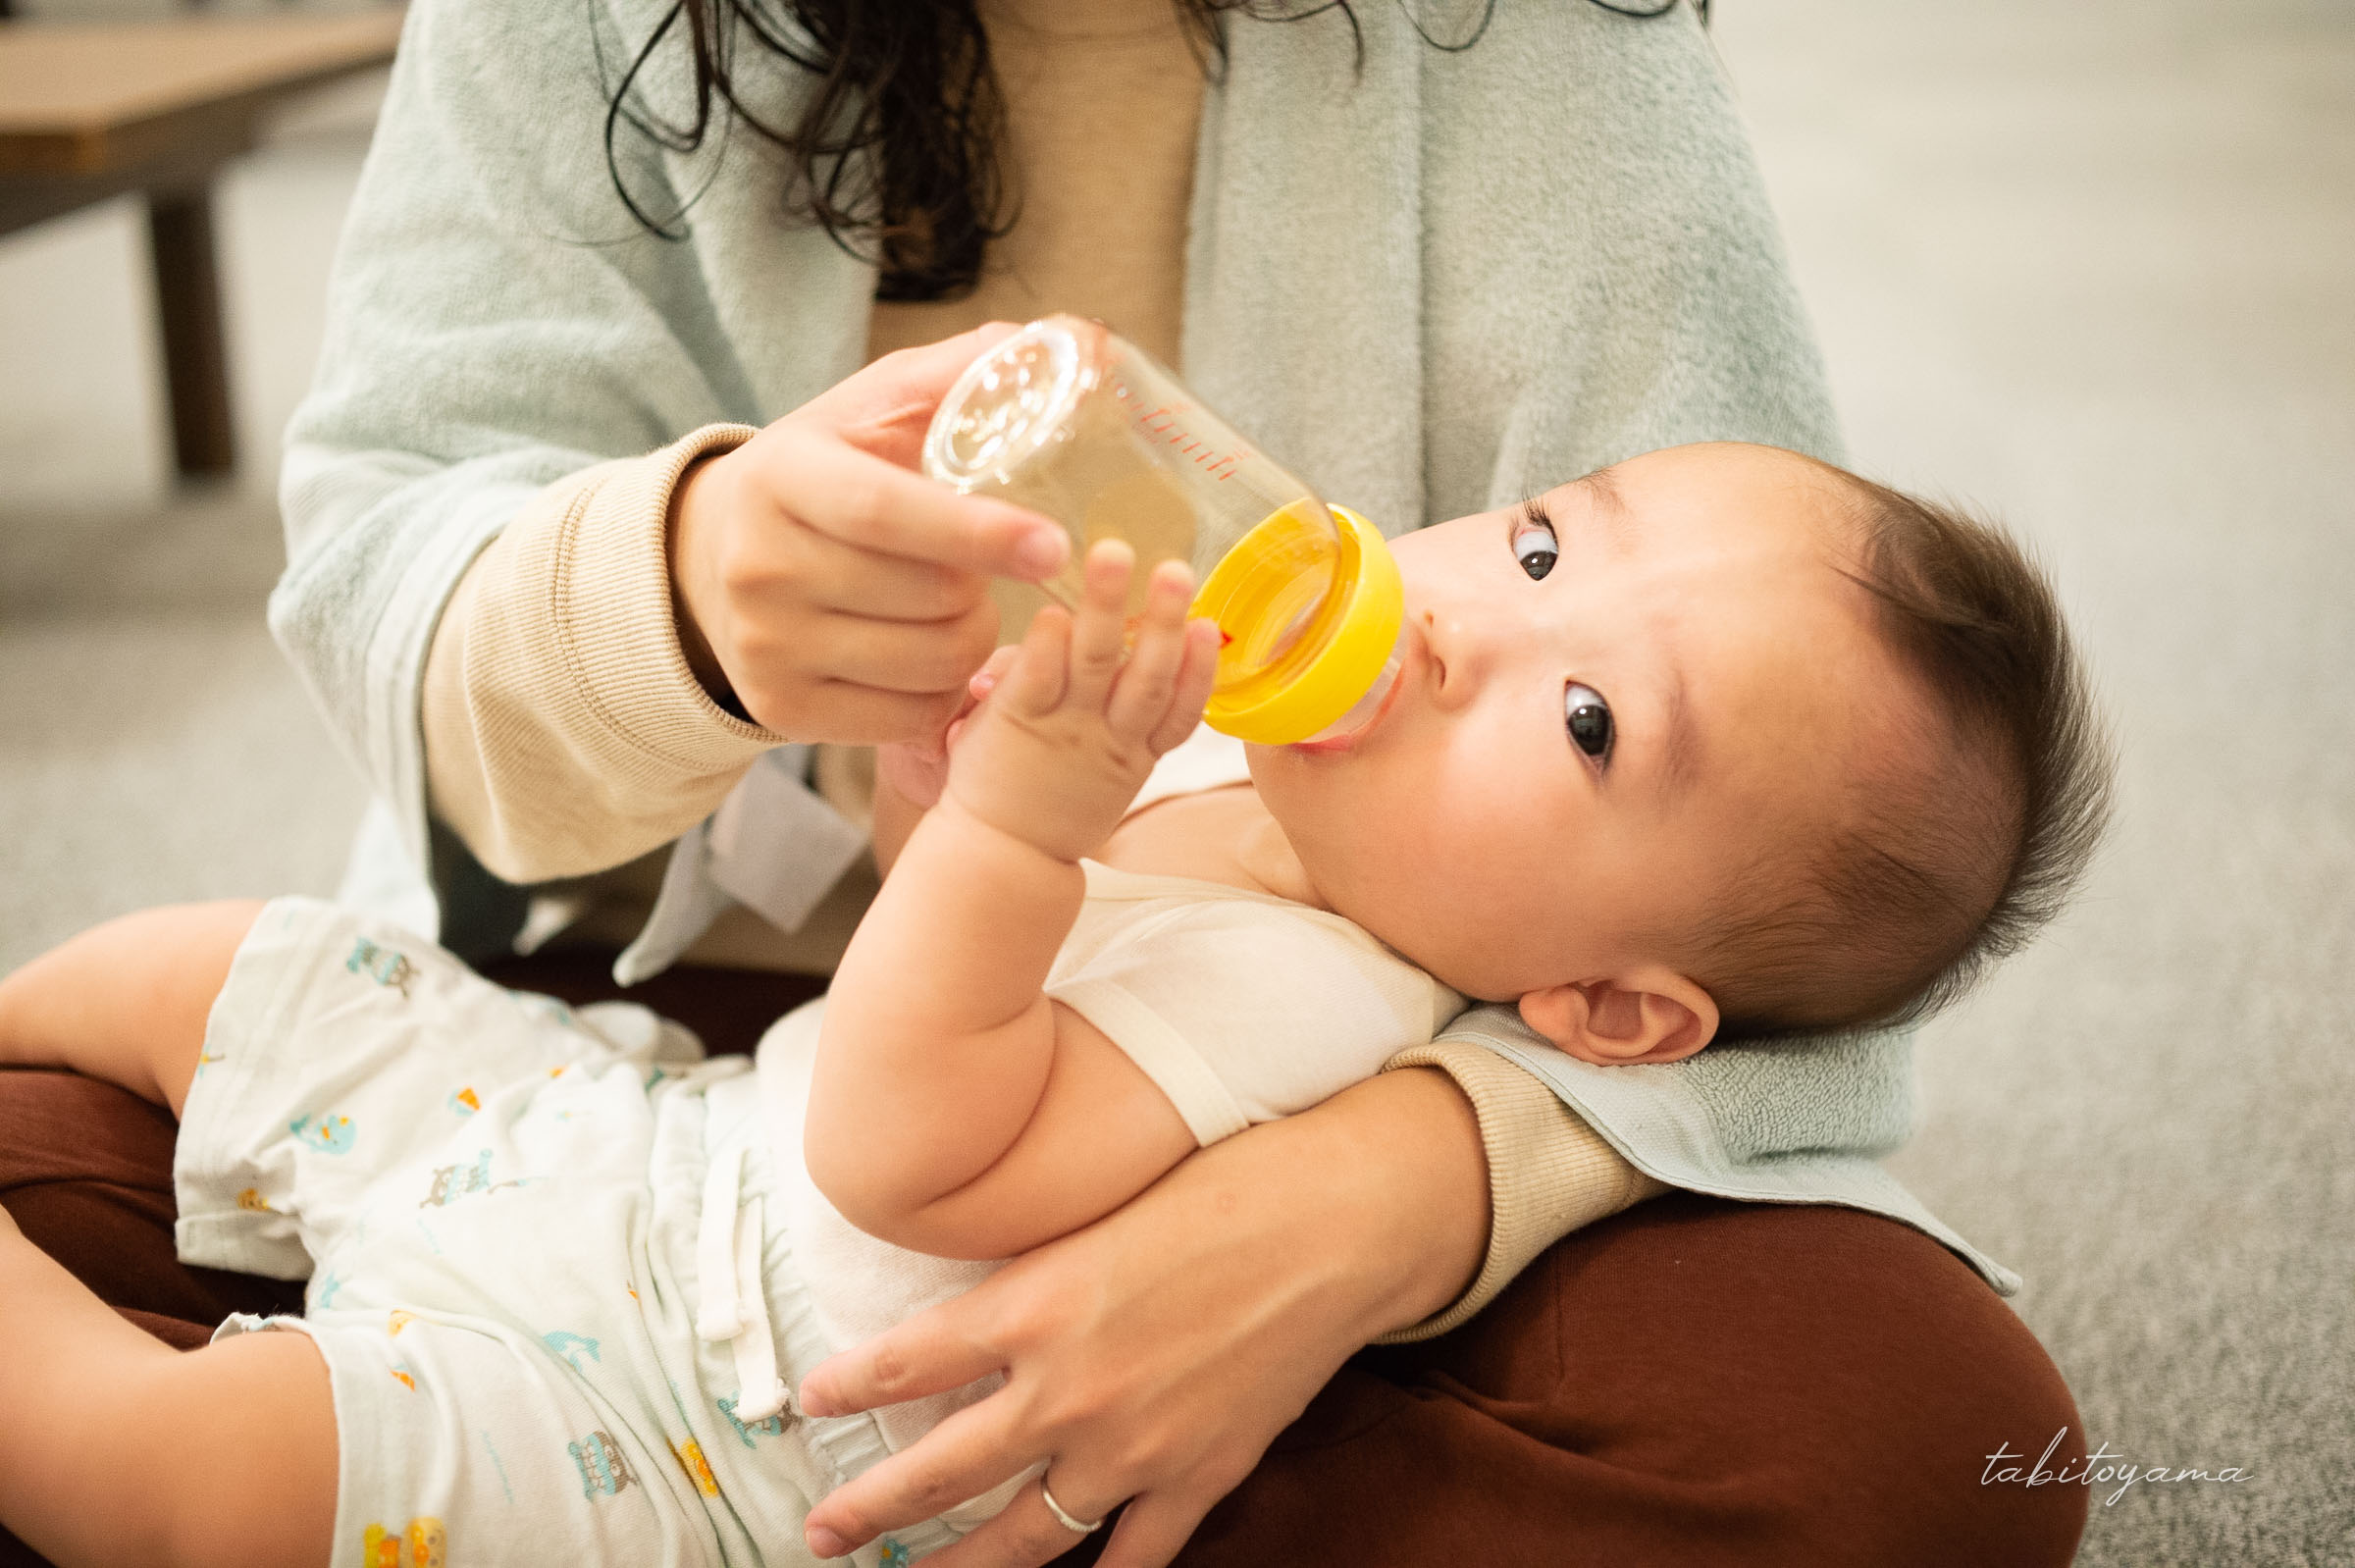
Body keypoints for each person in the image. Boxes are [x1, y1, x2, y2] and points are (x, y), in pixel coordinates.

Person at [0, 1, 2098, 1564]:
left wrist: (1383, 1199)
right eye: (1530, 540)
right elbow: (380, 560)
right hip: (633, 1053)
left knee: (1919, 1431)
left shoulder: (1342, 974)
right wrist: (683, 591)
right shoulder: (1222, 755)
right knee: (108, 1078)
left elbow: (1804, 962)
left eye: (1583, 719)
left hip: (806, 1309)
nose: (1465, 616)